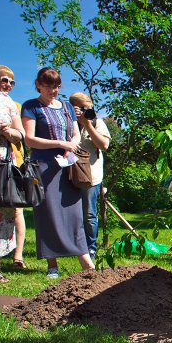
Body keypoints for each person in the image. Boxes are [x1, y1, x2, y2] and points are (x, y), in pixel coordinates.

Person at [21, 68, 95, 278]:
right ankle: (52, 264)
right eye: (48, 85)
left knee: (74, 214)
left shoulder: (66, 107)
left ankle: (86, 262)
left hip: (68, 166)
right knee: (47, 214)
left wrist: (70, 144)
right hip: (43, 166)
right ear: (38, 85)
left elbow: (75, 134)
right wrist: (59, 143)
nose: (53, 90)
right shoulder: (31, 106)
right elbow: (29, 139)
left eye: (56, 86)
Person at [69, 92, 111, 260]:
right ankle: (72, 246)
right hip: (68, 175)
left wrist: (87, 124)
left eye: (89, 108)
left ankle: (90, 248)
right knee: (71, 213)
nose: (87, 110)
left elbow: (103, 145)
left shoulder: (96, 122)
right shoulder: (66, 122)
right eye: (82, 108)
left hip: (91, 176)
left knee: (89, 214)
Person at [0, 66, 26, 283]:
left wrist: (9, 132)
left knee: (2, 214)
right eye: (4, 80)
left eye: (12, 82)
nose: (8, 85)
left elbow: (21, 135)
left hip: (2, 165)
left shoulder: (10, 104)